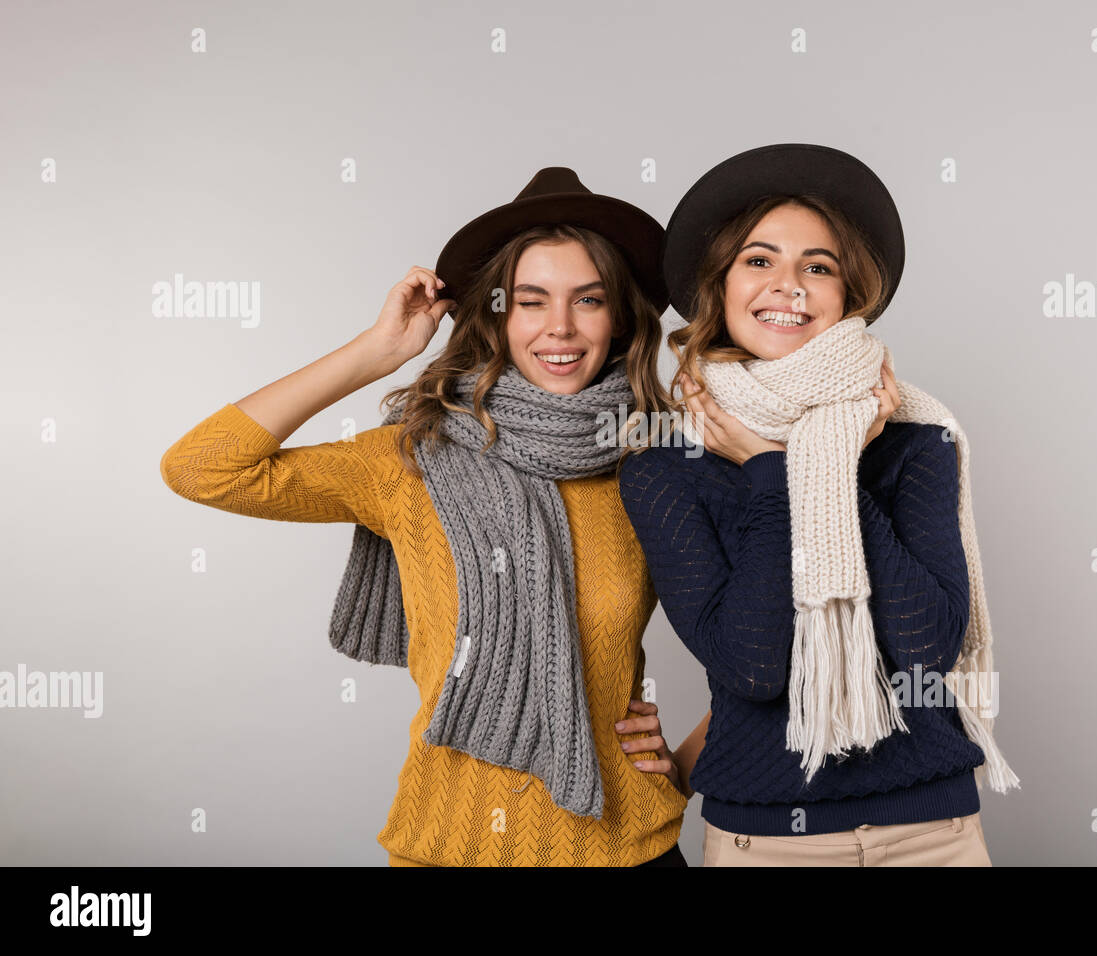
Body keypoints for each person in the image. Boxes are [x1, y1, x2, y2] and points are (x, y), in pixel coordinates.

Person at [160, 167, 690, 866]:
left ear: (619, 317)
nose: (559, 327)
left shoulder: (655, 461)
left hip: (628, 848)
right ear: (496, 315)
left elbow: (776, 633)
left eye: (587, 300)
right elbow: (201, 467)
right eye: (531, 301)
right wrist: (375, 353)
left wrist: (687, 763)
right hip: (449, 846)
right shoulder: (412, 459)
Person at [618, 144, 1020, 866]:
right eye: (759, 260)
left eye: (818, 266)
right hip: (765, 842)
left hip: (935, 836)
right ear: (720, 285)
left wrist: (834, 465)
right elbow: (752, 668)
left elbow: (928, 650)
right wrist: (776, 470)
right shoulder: (663, 467)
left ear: (846, 296)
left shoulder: (914, 440)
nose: (789, 286)